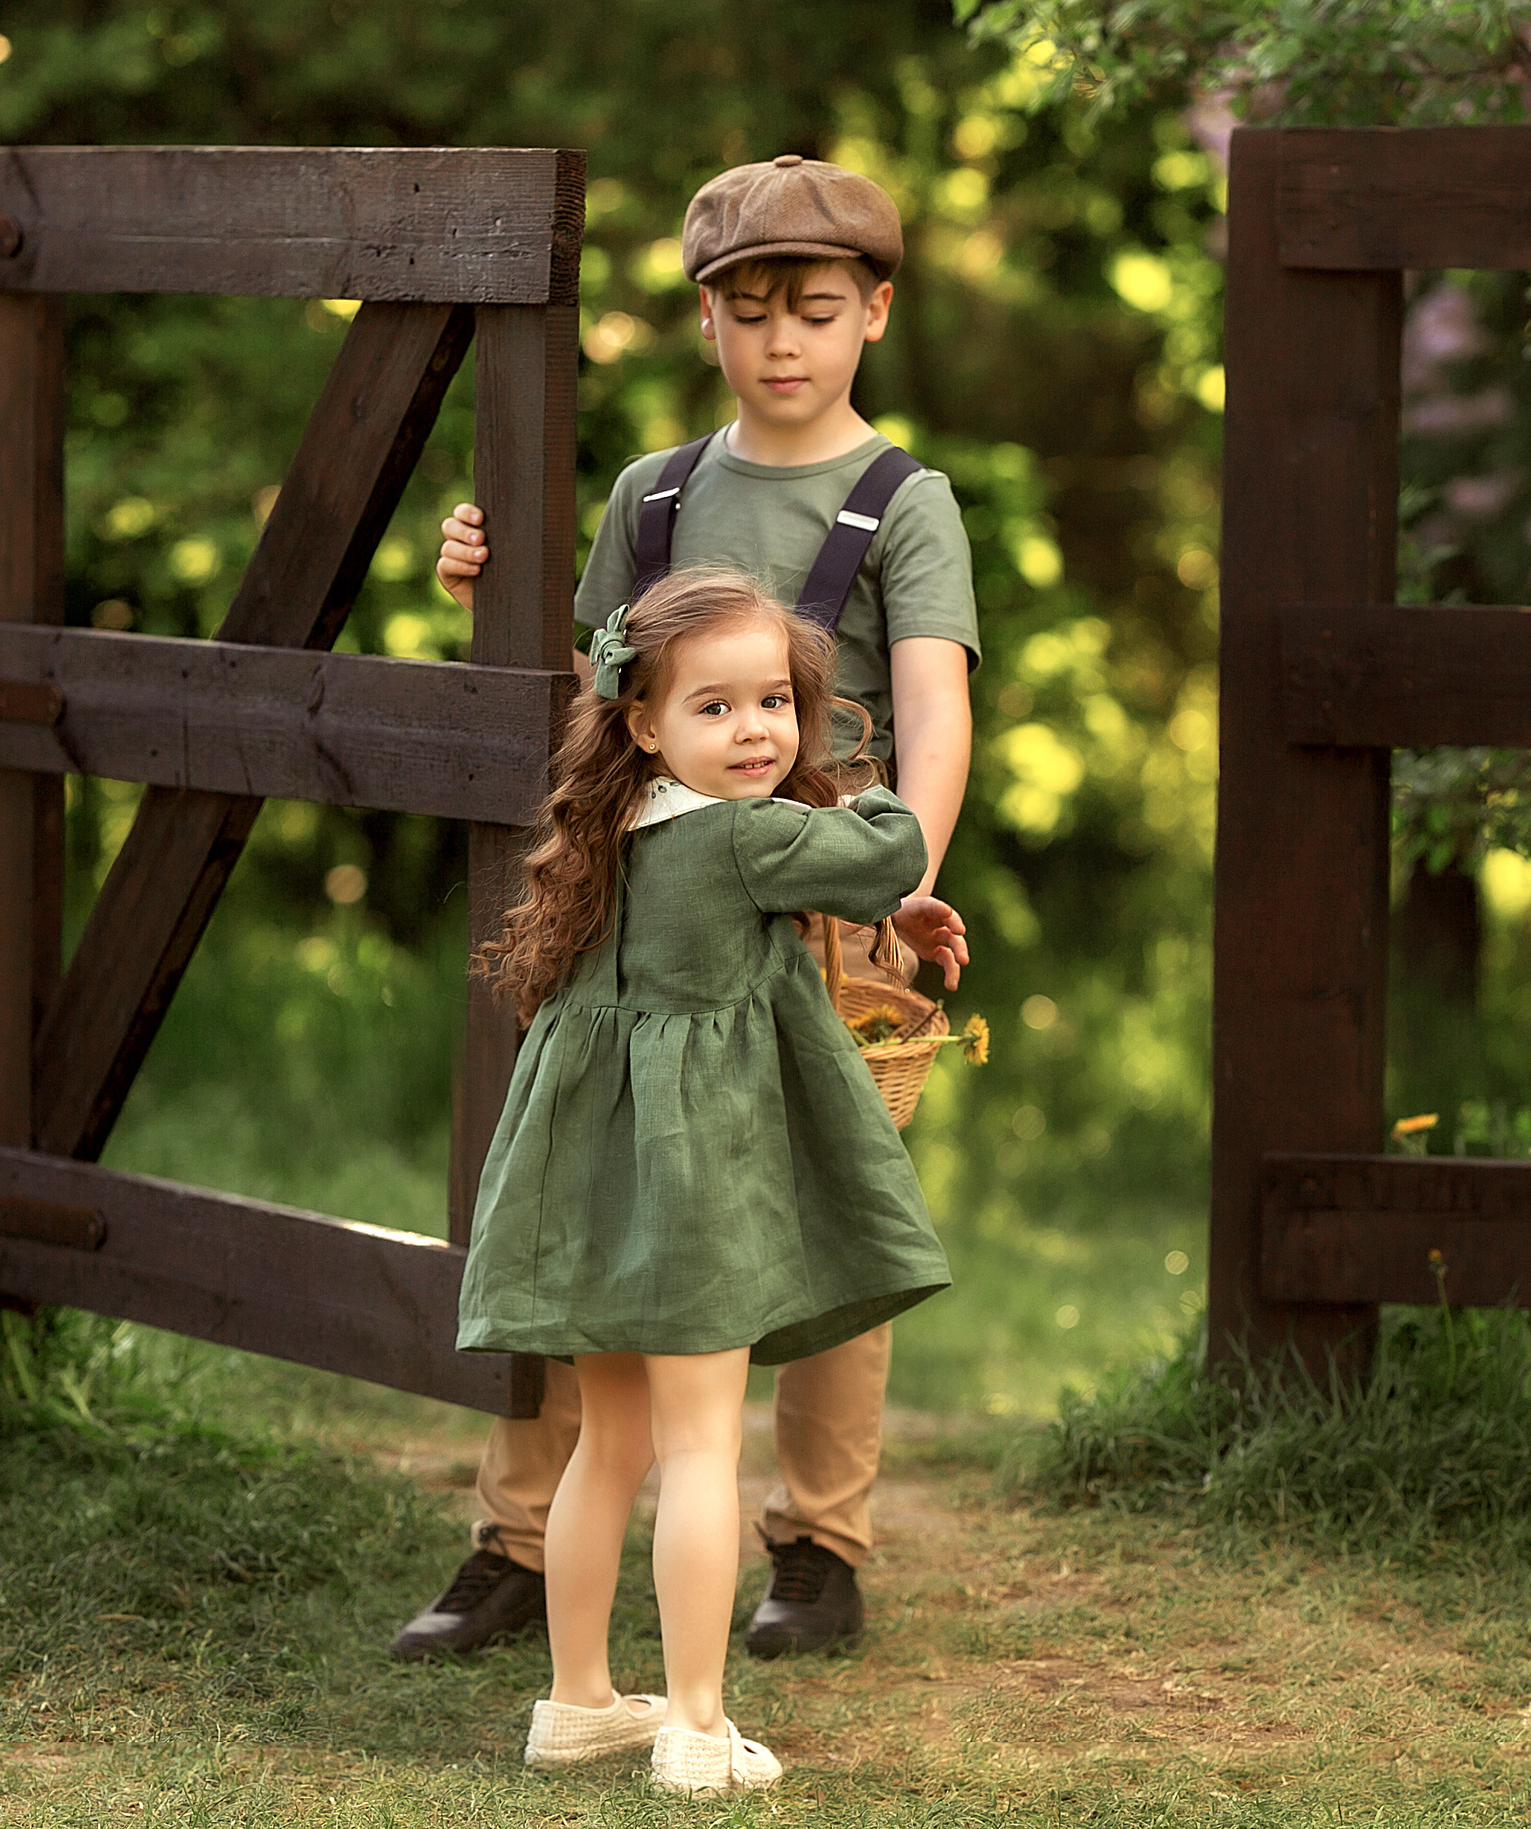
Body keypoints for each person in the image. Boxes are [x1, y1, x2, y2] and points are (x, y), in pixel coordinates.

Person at [399, 151, 980, 1666]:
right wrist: (482, 578)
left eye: (817, 308)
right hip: (642, 888)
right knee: (594, 1193)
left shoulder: (903, 501)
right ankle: (520, 1539)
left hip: (823, 884)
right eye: (749, 310)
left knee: (822, 1194)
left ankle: (822, 1541)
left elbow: (932, 706)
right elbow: (597, 678)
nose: (782, 340)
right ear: (708, 321)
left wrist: (902, 877)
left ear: (875, 313)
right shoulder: (656, 491)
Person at [457, 566, 956, 1793]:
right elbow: (887, 848)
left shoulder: (609, 832)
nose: (755, 732)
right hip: (691, 1188)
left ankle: (576, 1699)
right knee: (697, 1448)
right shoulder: (749, 837)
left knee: (607, 1442)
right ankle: (691, 1721)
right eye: (717, 708)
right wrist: (854, 756)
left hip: (592, 1182)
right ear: (644, 723)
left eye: (776, 704)